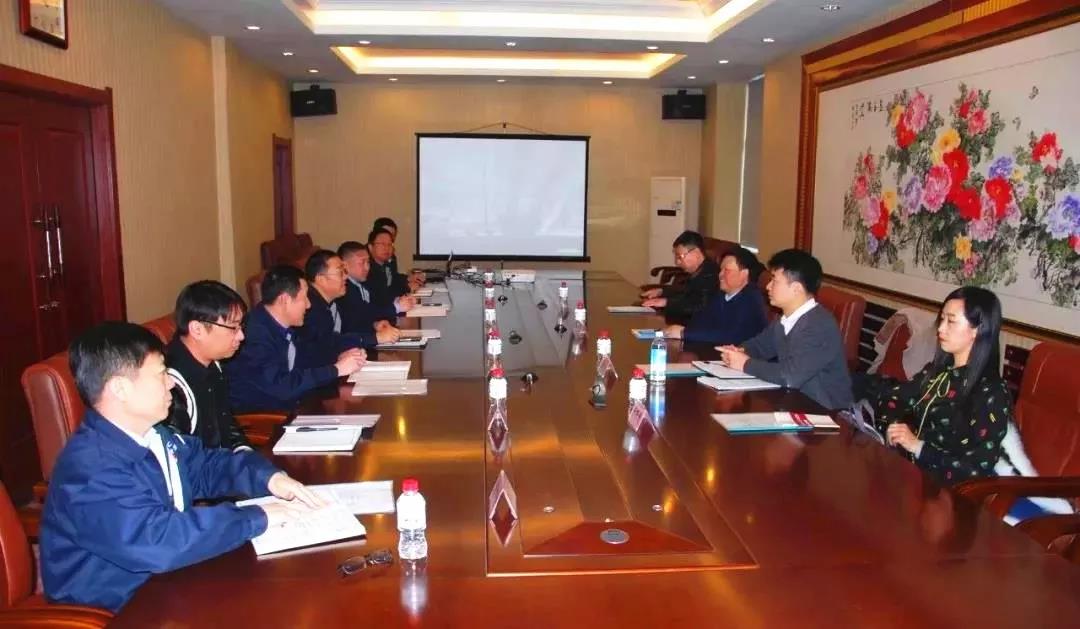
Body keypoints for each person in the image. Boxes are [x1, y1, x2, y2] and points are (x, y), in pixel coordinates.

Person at [41, 322, 324, 612]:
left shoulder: (153, 435)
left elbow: (208, 466)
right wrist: (254, 517)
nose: (172, 383)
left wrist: (269, 479)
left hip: (168, 580)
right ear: (120, 388)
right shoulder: (89, 470)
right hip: (119, 606)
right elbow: (156, 541)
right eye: (161, 374)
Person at [867, 286, 1011, 485]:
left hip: (947, 492)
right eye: (941, 319)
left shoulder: (991, 392)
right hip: (910, 474)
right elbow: (895, 397)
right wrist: (892, 425)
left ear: (977, 330)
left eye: (951, 321)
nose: (941, 328)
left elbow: (976, 471)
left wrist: (919, 447)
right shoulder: (939, 372)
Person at [718, 249, 852, 410]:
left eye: (774, 281)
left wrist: (745, 364)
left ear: (796, 288)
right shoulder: (785, 319)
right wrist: (740, 351)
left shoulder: (819, 325)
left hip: (825, 412)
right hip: (793, 402)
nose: (768, 286)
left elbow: (790, 376)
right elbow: (760, 346)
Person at [225, 265, 366, 412]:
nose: (309, 305)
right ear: (285, 300)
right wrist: (336, 369)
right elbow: (281, 386)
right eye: (304, 298)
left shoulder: (286, 325)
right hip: (265, 417)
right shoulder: (253, 336)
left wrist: (338, 357)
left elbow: (310, 354)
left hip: (295, 403)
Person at [165, 281, 253, 452]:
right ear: (197, 329)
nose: (241, 336)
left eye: (241, 326)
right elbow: (180, 458)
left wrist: (246, 454)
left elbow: (226, 425)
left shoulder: (213, 363)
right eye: (233, 328)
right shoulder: (171, 384)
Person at [664, 246, 768, 345]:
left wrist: (684, 333)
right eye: (720, 270)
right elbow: (701, 320)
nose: (720, 275)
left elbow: (731, 336)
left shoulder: (752, 300)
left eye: (726, 270)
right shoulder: (721, 295)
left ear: (744, 274)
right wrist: (680, 330)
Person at [295, 250, 381, 363]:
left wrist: (375, 326)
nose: (346, 276)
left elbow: (334, 338)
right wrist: (374, 338)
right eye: (340, 272)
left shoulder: (327, 302)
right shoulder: (310, 308)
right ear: (321, 279)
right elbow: (321, 346)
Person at [640, 230, 719, 322]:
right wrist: (662, 292)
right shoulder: (698, 270)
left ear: (696, 252)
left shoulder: (711, 275)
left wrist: (667, 302)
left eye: (680, 256)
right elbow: (685, 291)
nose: (677, 262)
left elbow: (701, 307)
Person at [337, 241, 403, 342]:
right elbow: (352, 325)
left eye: (368, 262)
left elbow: (367, 313)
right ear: (344, 265)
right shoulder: (344, 290)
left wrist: (375, 324)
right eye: (361, 263)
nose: (367, 268)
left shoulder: (361, 284)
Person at [367, 228, 414, 310]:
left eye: (389, 244)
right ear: (370, 247)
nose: (386, 248)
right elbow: (382, 296)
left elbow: (394, 282)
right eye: (382, 244)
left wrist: (408, 283)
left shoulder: (388, 264)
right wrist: (407, 288)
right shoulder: (366, 269)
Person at [373, 217, 424, 290]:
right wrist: (407, 287)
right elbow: (380, 290)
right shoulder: (364, 260)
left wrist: (408, 278)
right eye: (386, 234)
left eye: (392, 236)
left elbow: (392, 278)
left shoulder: (390, 255)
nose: (390, 238)